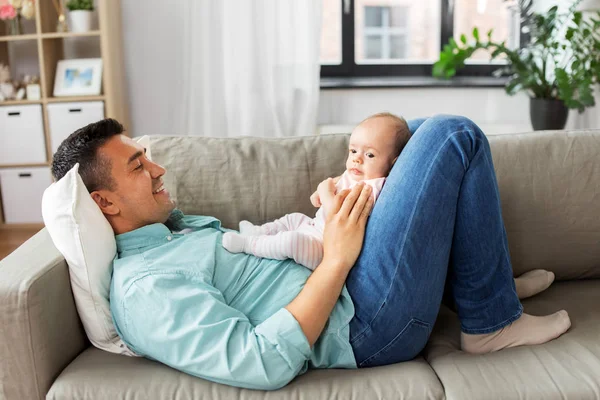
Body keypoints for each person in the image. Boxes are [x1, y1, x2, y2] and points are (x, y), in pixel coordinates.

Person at [50, 115, 571, 391]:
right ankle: (491, 323)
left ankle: (480, 290)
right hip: (365, 323)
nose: (159, 169)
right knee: (453, 135)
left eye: (147, 157)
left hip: (355, 283)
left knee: (400, 132)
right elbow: (257, 362)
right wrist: (337, 258)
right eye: (138, 167)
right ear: (104, 202)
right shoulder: (145, 289)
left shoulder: (174, 232)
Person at [222, 112, 410, 270]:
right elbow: (332, 184)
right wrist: (320, 192)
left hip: (322, 248)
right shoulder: (356, 174)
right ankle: (258, 231)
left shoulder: (372, 188)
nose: (357, 160)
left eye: (369, 154)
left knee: (291, 242)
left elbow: (337, 214)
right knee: (293, 218)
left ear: (393, 163)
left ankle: (248, 245)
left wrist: (325, 193)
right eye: (353, 151)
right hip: (313, 226)